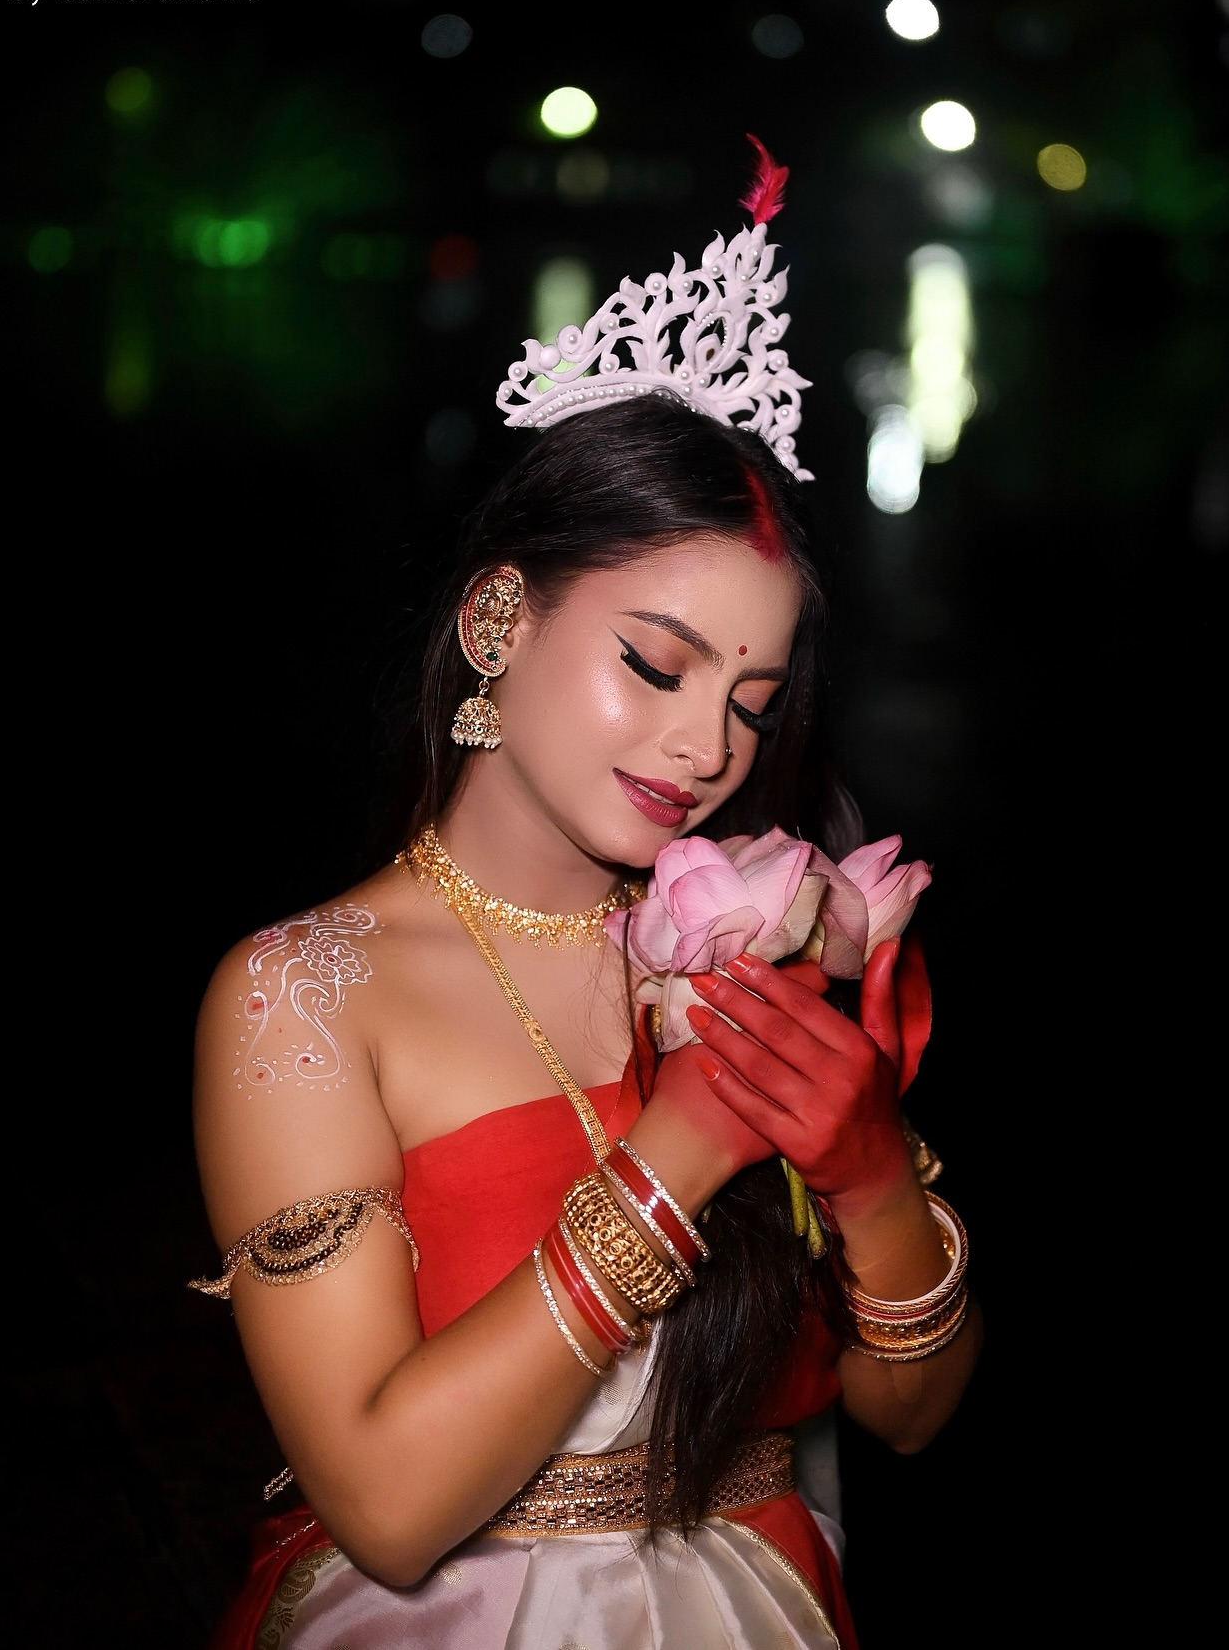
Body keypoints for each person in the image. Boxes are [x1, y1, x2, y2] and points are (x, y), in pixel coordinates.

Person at [192, 147, 981, 1649]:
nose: (708, 746)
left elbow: (912, 1416)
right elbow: (388, 1505)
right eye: (655, 664)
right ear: (501, 614)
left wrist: (877, 1181)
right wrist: (686, 1144)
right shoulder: (306, 994)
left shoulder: (781, 935)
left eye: (751, 700)